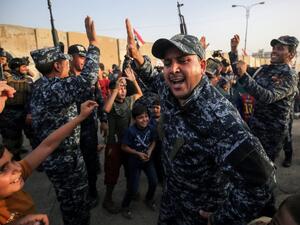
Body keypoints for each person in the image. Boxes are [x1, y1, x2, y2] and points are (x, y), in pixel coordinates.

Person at [125, 18, 275, 225]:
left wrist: (221, 219)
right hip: (172, 201)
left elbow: (261, 184)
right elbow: (155, 80)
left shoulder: (221, 119)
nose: (173, 69)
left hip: (198, 215)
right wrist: (139, 59)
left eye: (183, 60)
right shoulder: (173, 90)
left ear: (202, 66)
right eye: (168, 63)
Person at [29, 16, 99, 225]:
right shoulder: (54, 87)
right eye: (66, 62)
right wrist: (93, 44)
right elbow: (88, 80)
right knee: (76, 207)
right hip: (65, 159)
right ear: (58, 66)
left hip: (54, 157)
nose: (69, 66)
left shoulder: (41, 86)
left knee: (68, 201)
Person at [0, 100, 98, 225]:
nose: (17, 168)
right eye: (2, 169)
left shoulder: (16, 176)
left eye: (13, 160)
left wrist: (80, 117)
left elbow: (47, 145)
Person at [236, 35, 299, 162]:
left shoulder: (289, 75)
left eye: (280, 48)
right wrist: (233, 51)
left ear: (291, 54)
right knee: (252, 162)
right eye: (274, 47)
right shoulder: (264, 69)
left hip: (271, 132)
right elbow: (239, 69)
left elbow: (268, 96)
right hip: (255, 124)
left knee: (265, 168)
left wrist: (244, 76)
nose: (274, 51)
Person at [68, 43, 107, 208]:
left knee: (91, 163)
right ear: (71, 57)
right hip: (71, 132)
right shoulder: (65, 79)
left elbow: (99, 98)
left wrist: (104, 119)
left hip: (89, 130)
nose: (84, 60)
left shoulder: (91, 78)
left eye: (85, 57)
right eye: (81, 56)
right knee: (74, 167)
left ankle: (92, 190)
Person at [102, 67, 143, 214]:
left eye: (124, 88)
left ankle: (131, 191)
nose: (123, 91)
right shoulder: (111, 102)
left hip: (127, 144)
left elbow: (139, 94)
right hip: (114, 144)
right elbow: (106, 109)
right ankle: (107, 199)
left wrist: (133, 81)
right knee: (112, 173)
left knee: (129, 169)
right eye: (120, 88)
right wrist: (114, 89)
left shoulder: (128, 101)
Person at [120, 103, 158, 219]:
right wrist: (137, 153)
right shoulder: (130, 131)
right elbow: (124, 147)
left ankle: (149, 199)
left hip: (147, 160)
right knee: (133, 188)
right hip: (134, 162)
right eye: (140, 117)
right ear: (134, 119)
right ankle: (125, 206)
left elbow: (154, 141)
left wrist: (150, 151)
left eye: (146, 116)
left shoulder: (151, 128)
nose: (144, 119)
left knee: (154, 182)